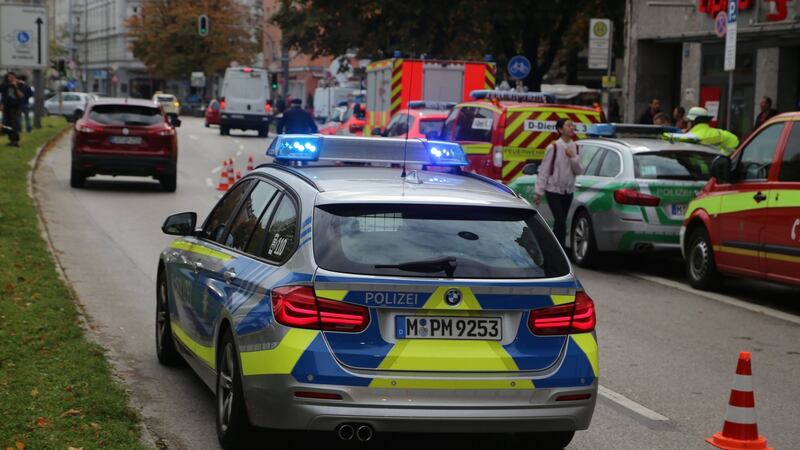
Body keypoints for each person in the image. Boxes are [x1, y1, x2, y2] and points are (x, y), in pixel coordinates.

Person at [533, 118, 583, 248]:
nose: (571, 128)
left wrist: (573, 157)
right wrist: (538, 192)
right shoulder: (553, 147)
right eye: (568, 126)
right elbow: (544, 170)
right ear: (560, 129)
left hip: (568, 191)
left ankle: (556, 249)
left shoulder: (576, 147)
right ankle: (558, 248)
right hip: (553, 190)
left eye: (572, 126)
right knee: (560, 220)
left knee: (561, 222)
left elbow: (578, 171)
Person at [668, 106, 739, 155]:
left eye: (689, 121)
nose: (687, 123)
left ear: (693, 122)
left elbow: (678, 138)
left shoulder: (695, 137)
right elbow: (734, 141)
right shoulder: (718, 132)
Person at [0, 72, 23, 147]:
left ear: (15, 77)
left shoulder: (19, 85)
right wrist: (2, 104)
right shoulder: (5, 85)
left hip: (14, 107)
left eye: (12, 77)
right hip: (6, 107)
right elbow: (2, 95)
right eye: (9, 77)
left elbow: (21, 95)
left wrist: (15, 86)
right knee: (6, 123)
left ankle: (15, 140)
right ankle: (11, 139)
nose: (10, 78)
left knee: (14, 124)